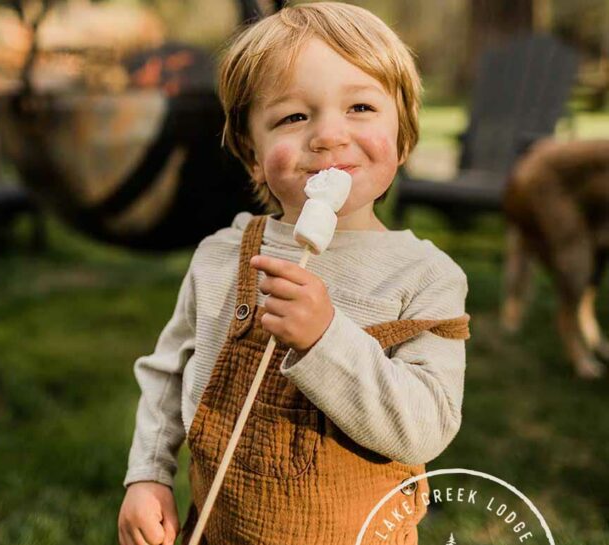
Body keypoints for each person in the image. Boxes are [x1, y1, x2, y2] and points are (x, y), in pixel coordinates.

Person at [118, 3, 470, 545]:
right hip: (219, 529)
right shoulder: (221, 255)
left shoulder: (425, 278)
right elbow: (169, 372)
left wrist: (326, 339)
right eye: (293, 117)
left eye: (359, 107)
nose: (328, 135)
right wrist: (148, 474)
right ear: (253, 156)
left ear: (402, 138)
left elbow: (424, 429)